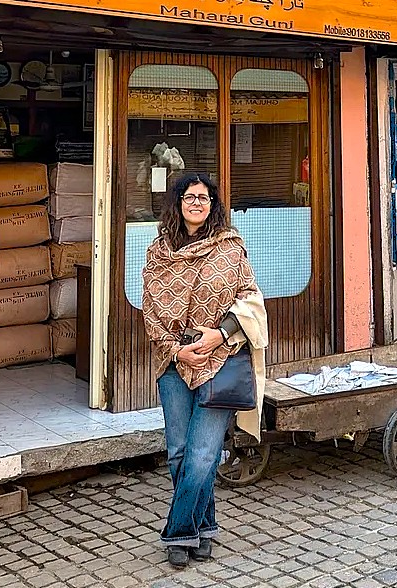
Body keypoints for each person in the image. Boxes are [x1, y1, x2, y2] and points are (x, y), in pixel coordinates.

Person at [141, 172, 268, 568]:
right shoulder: (158, 253)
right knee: (179, 454)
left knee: (202, 455)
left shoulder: (230, 249)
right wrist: (178, 352)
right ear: (177, 203)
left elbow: (250, 299)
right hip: (173, 362)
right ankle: (205, 527)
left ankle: (178, 534)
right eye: (190, 197)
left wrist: (219, 335)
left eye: (205, 198)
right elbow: (150, 312)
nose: (197, 203)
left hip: (220, 362)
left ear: (213, 206)